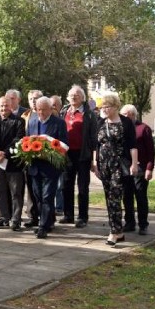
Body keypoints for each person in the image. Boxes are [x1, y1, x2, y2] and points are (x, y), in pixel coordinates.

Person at [93, 93, 138, 246]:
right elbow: (96, 145)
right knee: (109, 197)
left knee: (115, 197)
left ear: (115, 107)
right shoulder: (100, 122)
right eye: (103, 106)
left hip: (119, 164)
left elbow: (132, 145)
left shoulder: (126, 123)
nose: (105, 109)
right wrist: (95, 163)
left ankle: (114, 231)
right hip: (104, 164)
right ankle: (118, 231)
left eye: (108, 106)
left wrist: (134, 164)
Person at [25, 97, 68, 239]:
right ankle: (48, 221)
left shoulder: (59, 123)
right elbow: (26, 142)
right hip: (35, 167)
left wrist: (50, 147)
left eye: (44, 109)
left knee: (47, 196)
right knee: (38, 196)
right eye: (38, 109)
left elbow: (64, 145)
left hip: (51, 167)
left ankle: (42, 227)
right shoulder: (31, 122)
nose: (41, 112)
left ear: (51, 109)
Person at [0, 96, 26, 231]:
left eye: (6, 106)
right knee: (0, 191)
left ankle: (16, 220)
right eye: (1, 106)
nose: (4, 108)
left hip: (13, 163)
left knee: (16, 192)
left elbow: (18, 139)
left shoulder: (19, 121)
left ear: (11, 106)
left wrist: (5, 153)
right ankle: (3, 218)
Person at [61, 85, 98, 228]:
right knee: (66, 185)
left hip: (83, 155)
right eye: (71, 95)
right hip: (66, 154)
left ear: (82, 98)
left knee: (83, 187)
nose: (74, 97)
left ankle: (83, 217)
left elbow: (94, 137)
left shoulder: (89, 114)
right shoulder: (64, 111)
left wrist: (94, 159)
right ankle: (68, 215)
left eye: (77, 95)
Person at [120, 104, 155, 235]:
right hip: (125, 167)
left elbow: (151, 151)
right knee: (127, 196)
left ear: (132, 114)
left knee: (140, 195)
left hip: (140, 167)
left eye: (124, 114)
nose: (122, 117)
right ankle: (129, 223)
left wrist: (149, 168)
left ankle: (143, 224)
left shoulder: (143, 129)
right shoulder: (121, 128)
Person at [21, 89, 44, 228]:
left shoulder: (49, 113)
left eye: (36, 98)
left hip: (45, 157)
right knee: (31, 188)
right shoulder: (26, 116)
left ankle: (46, 217)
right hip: (30, 157)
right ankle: (33, 216)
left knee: (44, 190)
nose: (33, 102)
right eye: (31, 99)